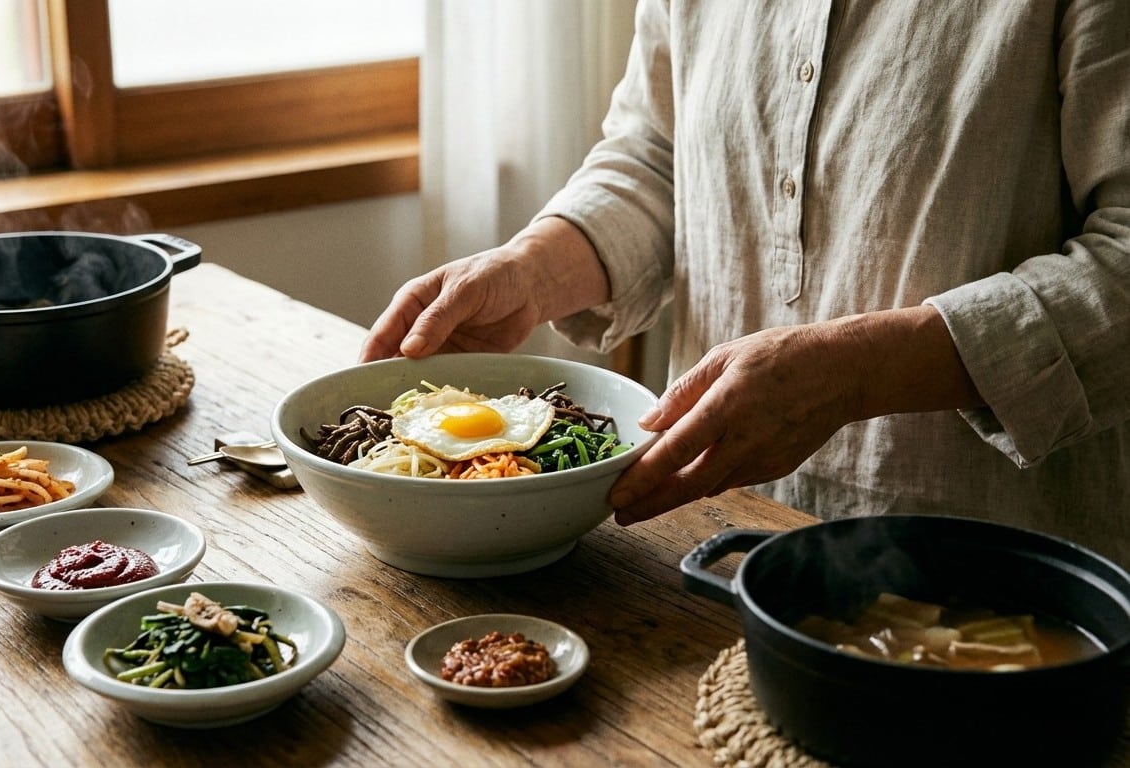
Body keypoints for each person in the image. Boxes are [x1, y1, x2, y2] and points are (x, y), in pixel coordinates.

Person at [360, 1, 1130, 568]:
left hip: (1001, 567)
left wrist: (857, 371)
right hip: (707, 538)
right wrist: (534, 269)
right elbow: (657, 154)